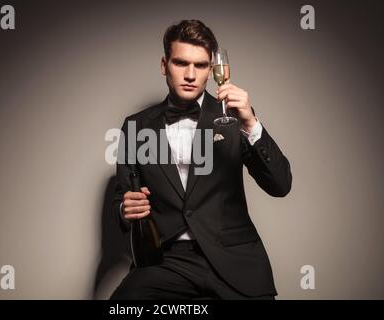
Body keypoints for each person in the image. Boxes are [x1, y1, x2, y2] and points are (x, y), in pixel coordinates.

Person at [110, 19, 292, 300]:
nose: (191, 75)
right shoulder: (136, 127)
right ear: (164, 65)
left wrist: (251, 124)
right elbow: (123, 198)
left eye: (201, 65)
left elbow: (280, 185)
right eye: (181, 63)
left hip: (234, 258)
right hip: (168, 261)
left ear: (212, 70)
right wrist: (125, 208)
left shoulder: (234, 120)